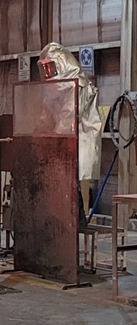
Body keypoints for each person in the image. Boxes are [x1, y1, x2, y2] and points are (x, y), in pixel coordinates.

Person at [38, 42, 103, 228]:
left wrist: (50, 138)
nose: (48, 72)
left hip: (78, 141)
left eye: (50, 67)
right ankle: (67, 221)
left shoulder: (79, 85)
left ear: (61, 63)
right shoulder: (55, 87)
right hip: (63, 143)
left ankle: (76, 222)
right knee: (63, 183)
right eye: (44, 68)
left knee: (69, 183)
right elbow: (45, 114)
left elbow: (69, 118)